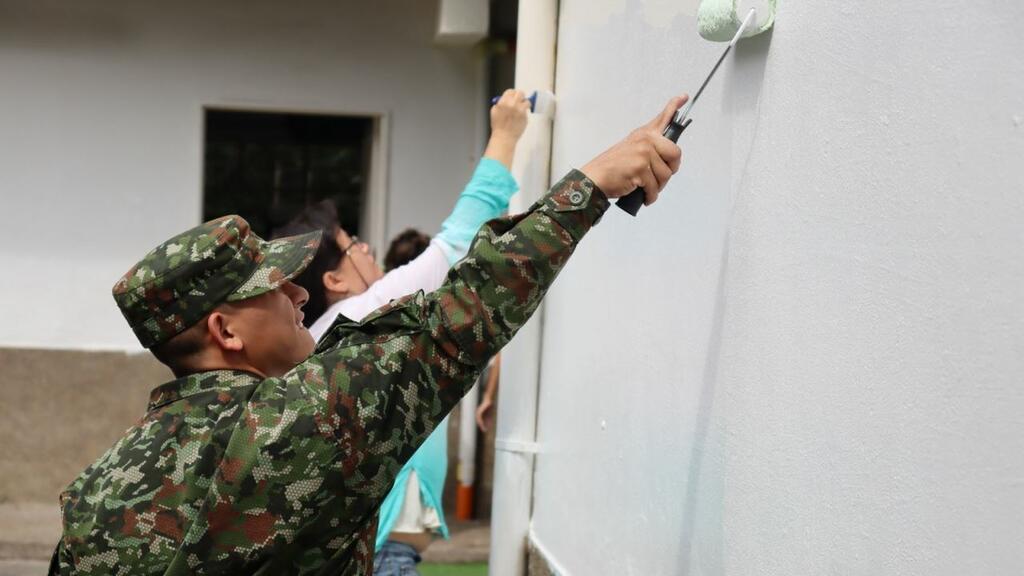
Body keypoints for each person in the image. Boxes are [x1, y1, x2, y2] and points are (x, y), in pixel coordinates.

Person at [49, 95, 687, 576]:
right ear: (226, 329)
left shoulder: (102, 485)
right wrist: (595, 182)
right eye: (273, 287)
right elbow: (459, 315)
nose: (300, 294)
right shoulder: (300, 418)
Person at [274, 91, 529, 574]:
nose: (369, 248)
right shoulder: (361, 314)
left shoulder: (333, 331)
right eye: (354, 245)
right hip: (386, 551)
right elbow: (462, 237)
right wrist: (506, 134)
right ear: (333, 280)